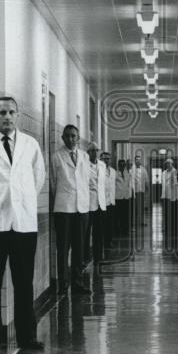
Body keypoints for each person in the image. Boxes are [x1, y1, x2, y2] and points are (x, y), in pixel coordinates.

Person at [0, 95, 46, 352]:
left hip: (23, 224)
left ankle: (26, 336)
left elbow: (38, 179)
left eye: (12, 112)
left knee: (24, 283)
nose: (7, 117)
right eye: (1, 112)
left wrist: (21, 201)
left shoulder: (30, 144)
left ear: (18, 115)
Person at [49, 124, 91, 294]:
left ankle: (77, 283)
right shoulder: (56, 156)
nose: (70, 139)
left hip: (82, 209)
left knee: (79, 248)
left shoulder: (84, 156)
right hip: (64, 208)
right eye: (67, 136)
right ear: (62, 138)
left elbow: (85, 180)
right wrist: (60, 199)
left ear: (78, 138)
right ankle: (63, 284)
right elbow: (52, 183)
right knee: (63, 247)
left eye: (73, 136)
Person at [86, 141, 107, 267]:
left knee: (99, 232)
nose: (95, 153)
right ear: (88, 152)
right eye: (92, 150)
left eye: (96, 150)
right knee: (87, 232)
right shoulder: (84, 165)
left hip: (101, 203)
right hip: (89, 203)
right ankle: (86, 257)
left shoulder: (102, 165)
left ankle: (98, 256)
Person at [130, 152, 149, 236]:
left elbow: (146, 179)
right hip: (134, 192)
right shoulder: (131, 169)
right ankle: (134, 224)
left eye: (139, 160)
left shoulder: (143, 169)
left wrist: (147, 187)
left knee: (141, 207)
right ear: (134, 160)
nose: (138, 161)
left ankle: (142, 221)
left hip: (141, 191)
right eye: (136, 160)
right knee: (135, 208)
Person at [101, 151, 116, 249]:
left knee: (110, 223)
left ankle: (109, 242)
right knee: (102, 224)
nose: (107, 160)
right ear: (101, 159)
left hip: (111, 201)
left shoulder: (113, 171)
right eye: (105, 158)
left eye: (108, 159)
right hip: (102, 202)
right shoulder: (99, 170)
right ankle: (102, 242)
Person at [115, 158, 132, 236]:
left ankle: (126, 231)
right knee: (118, 215)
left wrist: (130, 195)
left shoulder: (127, 174)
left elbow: (129, 185)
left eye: (123, 165)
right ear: (118, 166)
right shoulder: (115, 174)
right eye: (120, 165)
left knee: (126, 215)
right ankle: (118, 231)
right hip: (118, 197)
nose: (122, 166)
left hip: (126, 197)